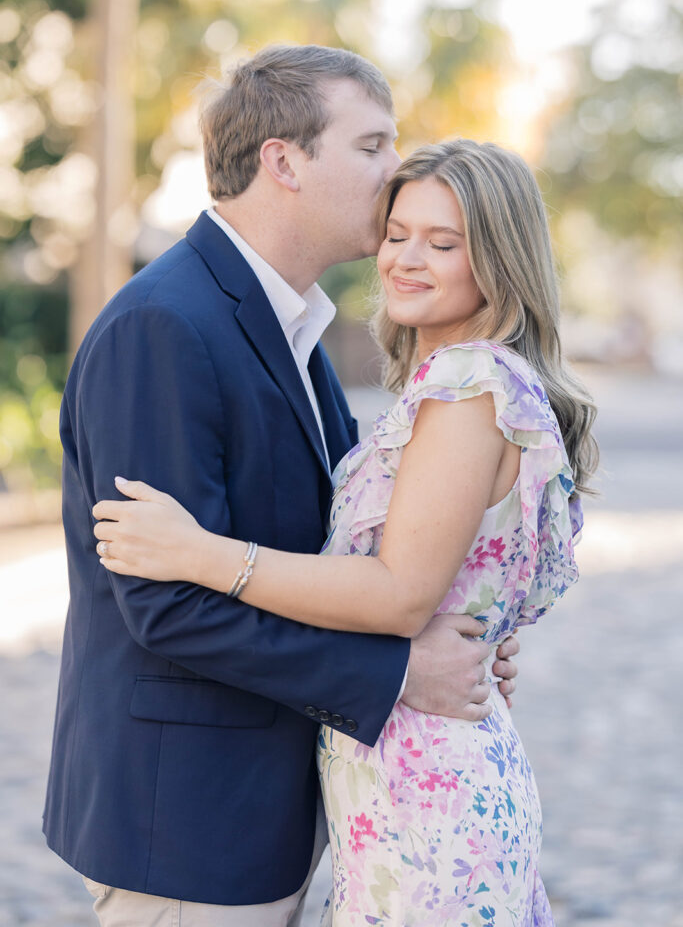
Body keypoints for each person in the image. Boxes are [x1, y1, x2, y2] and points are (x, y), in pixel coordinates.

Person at [44, 46, 520, 927]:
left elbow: (339, 550)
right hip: (185, 822)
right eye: (373, 144)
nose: (397, 169)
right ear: (284, 161)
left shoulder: (293, 327)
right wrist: (400, 672)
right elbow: (166, 605)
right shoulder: (164, 324)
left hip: (268, 809)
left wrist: (450, 623)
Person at [93, 138, 598, 926]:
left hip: (428, 791)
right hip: (402, 776)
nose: (406, 259)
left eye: (443, 242)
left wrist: (201, 554)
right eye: (397, 234)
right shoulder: (450, 383)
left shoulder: (470, 386)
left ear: (498, 259)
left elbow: (398, 594)